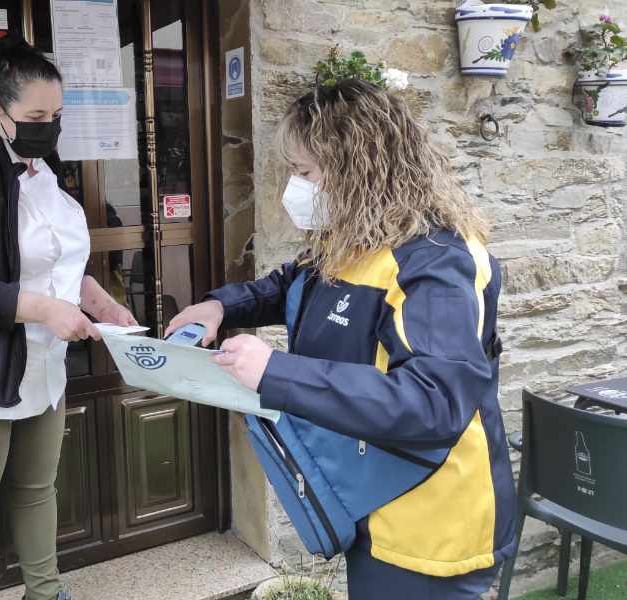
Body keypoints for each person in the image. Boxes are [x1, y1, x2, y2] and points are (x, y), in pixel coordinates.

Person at [167, 79, 517, 600]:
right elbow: (292, 284)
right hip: (371, 493)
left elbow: (435, 401)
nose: (294, 187)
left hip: (429, 525)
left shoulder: (436, 261)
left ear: (358, 169)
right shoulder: (357, 237)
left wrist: (275, 372)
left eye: (305, 172)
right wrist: (222, 306)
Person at [0, 34, 136, 600]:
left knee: (38, 489)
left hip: (43, 364)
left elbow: (52, 263)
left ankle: (46, 592)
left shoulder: (43, 171)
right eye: (36, 117)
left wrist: (100, 302)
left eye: (56, 116)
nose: (49, 128)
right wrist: (44, 309)